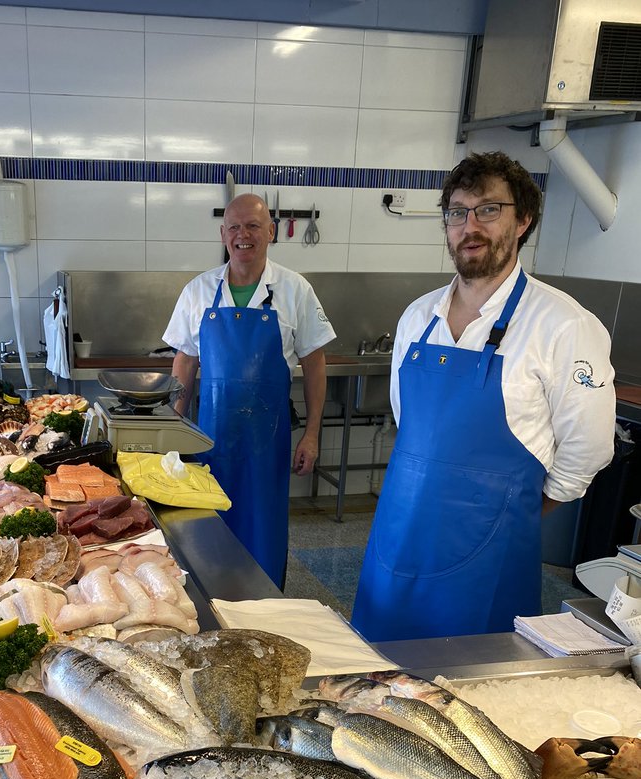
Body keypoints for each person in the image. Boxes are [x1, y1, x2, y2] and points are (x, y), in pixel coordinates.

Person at [352, 151, 616, 642]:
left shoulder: (563, 325)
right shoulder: (417, 318)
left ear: (524, 222)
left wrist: (516, 512)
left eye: (489, 210)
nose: (470, 226)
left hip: (490, 555)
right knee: (375, 680)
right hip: (398, 537)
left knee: (468, 695)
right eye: (458, 212)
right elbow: (408, 421)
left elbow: (589, 448)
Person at [162, 193, 336, 587]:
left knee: (264, 530)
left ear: (271, 232)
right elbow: (185, 361)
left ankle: (266, 606)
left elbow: (314, 364)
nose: (244, 235)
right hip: (211, 441)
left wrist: (311, 434)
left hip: (268, 445)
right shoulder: (198, 291)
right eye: (235, 227)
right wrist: (172, 426)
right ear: (223, 235)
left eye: (254, 226)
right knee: (209, 532)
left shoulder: (296, 290)